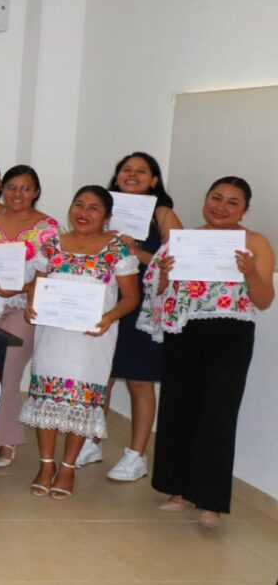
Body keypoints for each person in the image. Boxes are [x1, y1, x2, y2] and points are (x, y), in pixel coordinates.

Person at [140, 176, 273, 527]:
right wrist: (165, 275)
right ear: (205, 199)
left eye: (232, 202)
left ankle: (211, 500)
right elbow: (157, 291)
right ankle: (177, 489)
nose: (222, 206)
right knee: (178, 408)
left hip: (231, 332)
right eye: (216, 197)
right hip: (183, 329)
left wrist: (248, 274)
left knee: (219, 413)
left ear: (245, 209)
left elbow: (264, 300)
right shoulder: (183, 240)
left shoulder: (255, 242)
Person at [22, 186, 139, 500]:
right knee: (46, 396)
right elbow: (38, 282)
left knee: (81, 402)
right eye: (78, 205)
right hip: (53, 334)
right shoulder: (51, 245)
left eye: (93, 208)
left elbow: (131, 297)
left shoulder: (118, 251)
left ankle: (68, 467)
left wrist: (110, 316)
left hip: (93, 337)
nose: (83, 213)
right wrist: (32, 303)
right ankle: (46, 465)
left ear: (106, 216)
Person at [99, 152, 183, 481]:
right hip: (105, 301)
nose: (132, 175)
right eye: (126, 169)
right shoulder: (102, 208)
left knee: (139, 381)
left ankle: (136, 454)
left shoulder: (162, 214)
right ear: (117, 175)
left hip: (145, 307)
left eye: (141, 171)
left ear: (154, 180)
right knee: (100, 376)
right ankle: (91, 440)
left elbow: (175, 265)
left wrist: (133, 249)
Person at [0, 165, 60, 468]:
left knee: (6, 369)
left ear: (35, 192)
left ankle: (4, 437)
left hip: (25, 307)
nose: (17, 194)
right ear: (1, 189)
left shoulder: (48, 228)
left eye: (25, 188)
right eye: (11, 187)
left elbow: (56, 275)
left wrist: (19, 288)